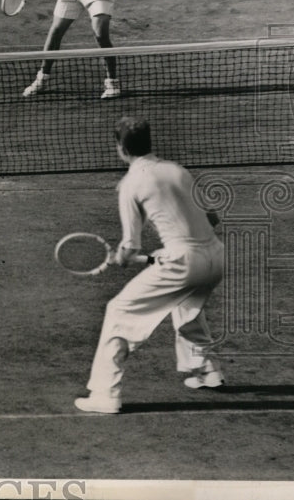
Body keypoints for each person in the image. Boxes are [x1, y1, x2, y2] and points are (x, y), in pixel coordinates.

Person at [73, 117, 225, 414]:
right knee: (185, 300)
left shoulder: (131, 184)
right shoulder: (177, 170)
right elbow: (212, 219)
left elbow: (130, 247)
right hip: (216, 258)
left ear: (120, 148)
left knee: (118, 311)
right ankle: (207, 370)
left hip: (185, 262)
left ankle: (105, 393)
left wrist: (124, 257)